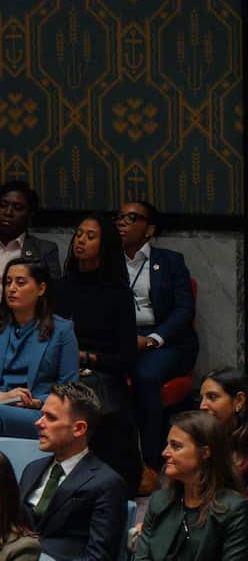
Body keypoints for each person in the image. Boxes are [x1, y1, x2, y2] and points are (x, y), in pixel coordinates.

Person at [75, 411, 248, 561]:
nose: (165, 452)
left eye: (176, 446)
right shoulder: (161, 500)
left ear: (206, 452)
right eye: (167, 444)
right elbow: (140, 560)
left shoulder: (235, 509)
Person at [20, 382, 128, 561]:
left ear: (79, 428)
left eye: (50, 417)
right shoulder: (32, 470)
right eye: (41, 415)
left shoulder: (106, 482)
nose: (39, 423)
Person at [55, 212, 141, 491]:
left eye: (90, 237)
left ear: (105, 246)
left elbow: (126, 357)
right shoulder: (61, 287)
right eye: (79, 234)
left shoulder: (118, 294)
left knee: (102, 407)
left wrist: (87, 358)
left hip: (102, 370)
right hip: (61, 368)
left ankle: (110, 484)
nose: (81, 241)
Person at [0, 260, 78, 452]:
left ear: (41, 288)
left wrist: (37, 402)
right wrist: (0, 396)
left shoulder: (62, 330)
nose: (11, 289)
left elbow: (69, 390)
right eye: (8, 282)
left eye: (20, 283)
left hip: (35, 413)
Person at [117, 201, 200, 470]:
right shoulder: (108, 262)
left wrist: (153, 339)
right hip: (121, 338)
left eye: (132, 218)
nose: (123, 223)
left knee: (146, 376)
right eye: (120, 218)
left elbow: (184, 309)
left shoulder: (170, 261)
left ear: (149, 229)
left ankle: (149, 464)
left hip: (166, 342)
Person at [0, 180, 61, 281]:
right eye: (3, 205)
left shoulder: (45, 250)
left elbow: (52, 292)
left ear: (30, 215)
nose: (8, 212)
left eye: (18, 208)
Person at [199, 369, 248, 479]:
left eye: (212, 397)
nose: (202, 406)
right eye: (201, 398)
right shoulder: (201, 438)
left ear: (239, 400)